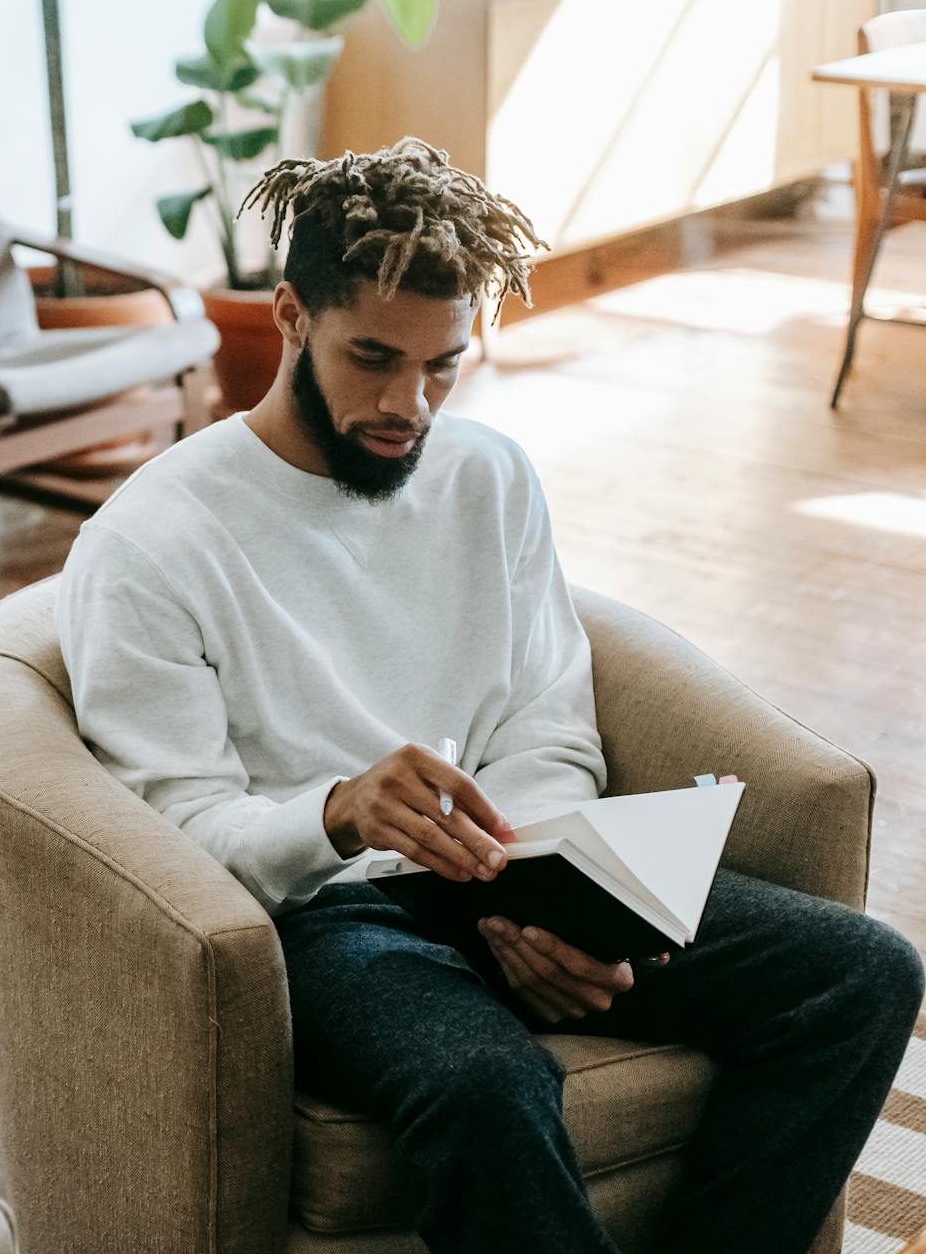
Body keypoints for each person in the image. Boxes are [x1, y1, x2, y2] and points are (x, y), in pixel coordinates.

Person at [55, 137, 922, 1253]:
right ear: (289, 316)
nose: (407, 403)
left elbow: (549, 716)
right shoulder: (151, 540)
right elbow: (169, 830)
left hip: (503, 869)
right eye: (373, 356)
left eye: (442, 366)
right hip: (324, 916)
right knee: (485, 1079)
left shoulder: (488, 474)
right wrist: (335, 811)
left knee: (861, 973)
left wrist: (527, 893)